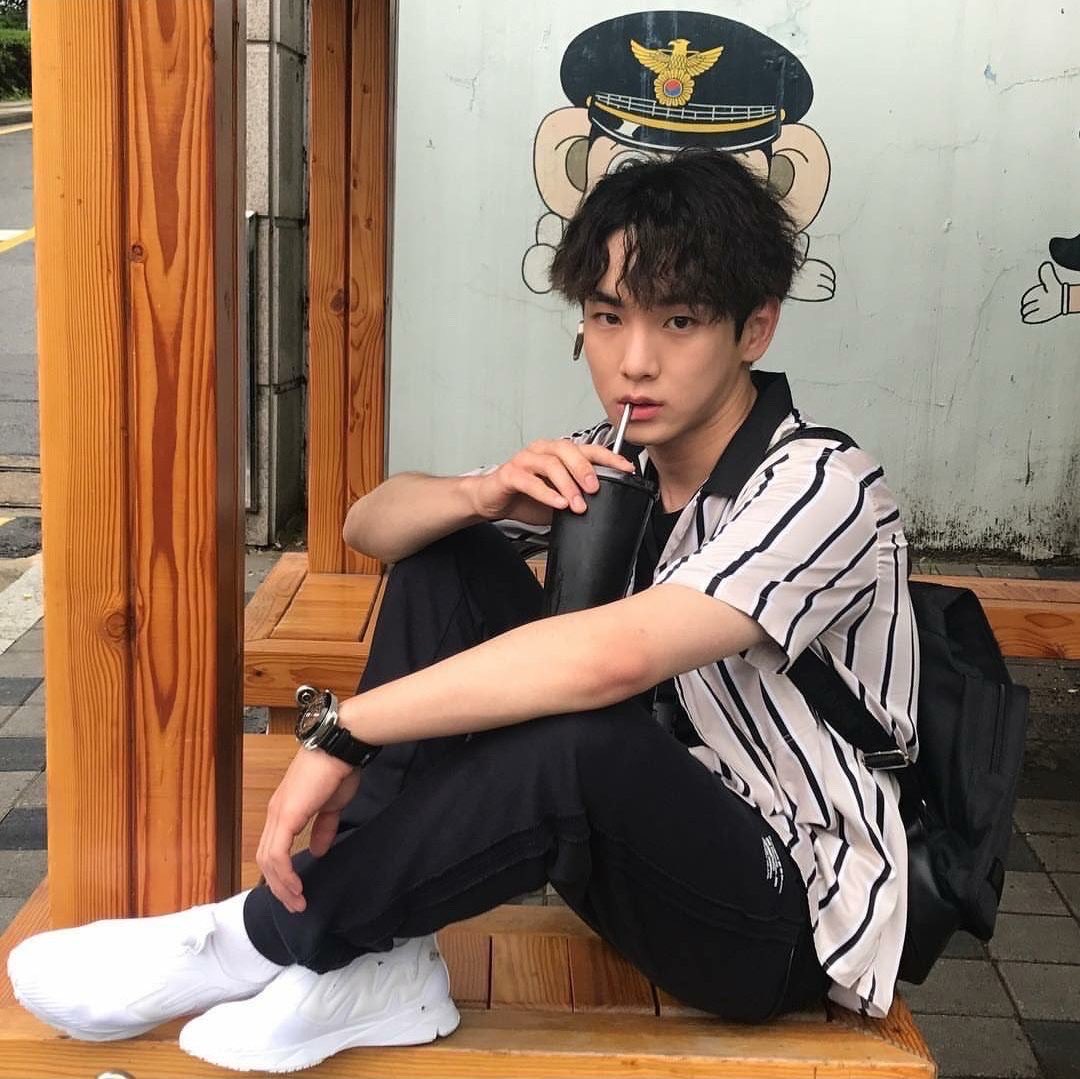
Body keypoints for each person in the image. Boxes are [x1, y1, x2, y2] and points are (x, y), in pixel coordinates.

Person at [8, 150, 918, 1074]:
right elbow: (371, 525)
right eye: (608, 316)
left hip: (784, 922)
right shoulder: (614, 460)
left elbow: (610, 660)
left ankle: (251, 937)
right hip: (637, 856)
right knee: (449, 554)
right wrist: (482, 495)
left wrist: (345, 730)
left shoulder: (823, 485)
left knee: (579, 736)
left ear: (755, 327)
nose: (634, 361)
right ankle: (375, 956)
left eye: (679, 321)